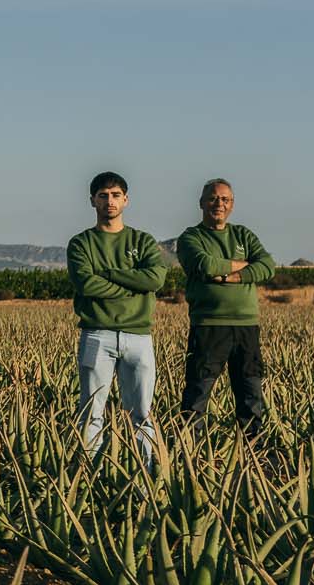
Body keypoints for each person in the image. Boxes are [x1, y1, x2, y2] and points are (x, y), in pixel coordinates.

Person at [66, 172, 166, 460]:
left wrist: (108, 274)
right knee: (91, 412)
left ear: (126, 199)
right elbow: (86, 283)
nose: (109, 201)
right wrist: (132, 285)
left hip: (139, 336)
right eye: (103, 195)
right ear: (92, 201)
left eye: (115, 195)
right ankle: (88, 474)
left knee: (142, 413)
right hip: (97, 334)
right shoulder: (81, 243)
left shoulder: (142, 240)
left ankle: (146, 472)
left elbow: (154, 280)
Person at [176, 178, 275, 437]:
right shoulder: (191, 237)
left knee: (250, 392)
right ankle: (190, 450)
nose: (219, 203)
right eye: (213, 198)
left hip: (246, 326)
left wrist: (229, 274)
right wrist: (245, 265)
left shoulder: (243, 234)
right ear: (201, 203)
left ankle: (255, 453)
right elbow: (205, 265)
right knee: (198, 391)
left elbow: (267, 266)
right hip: (209, 325)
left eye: (225, 199)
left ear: (232, 205)